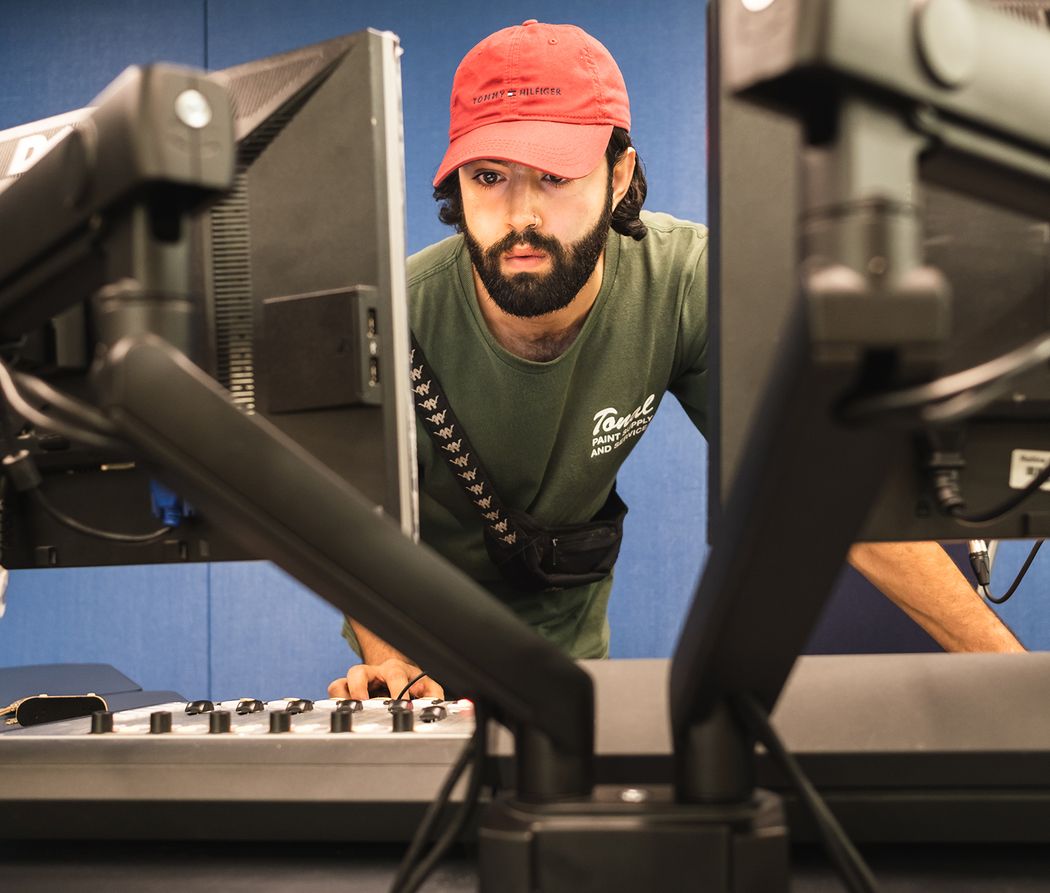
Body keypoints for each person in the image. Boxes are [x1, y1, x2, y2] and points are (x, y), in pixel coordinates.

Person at [328, 20, 1023, 702]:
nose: (521, 216)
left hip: (566, 655)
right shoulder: (393, 316)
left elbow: (820, 488)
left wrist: (1015, 678)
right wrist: (397, 669)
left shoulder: (687, 280)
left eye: (555, 175)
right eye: (488, 177)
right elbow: (350, 520)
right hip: (410, 646)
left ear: (618, 172)